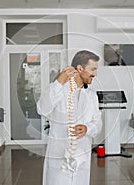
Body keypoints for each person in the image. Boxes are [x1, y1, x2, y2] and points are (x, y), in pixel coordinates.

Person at [37, 50, 102, 185]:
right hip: (59, 155)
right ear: (80, 68)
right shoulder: (58, 90)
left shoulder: (91, 96)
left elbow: (98, 123)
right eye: (93, 69)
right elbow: (42, 109)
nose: (95, 74)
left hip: (81, 156)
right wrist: (59, 82)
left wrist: (87, 128)